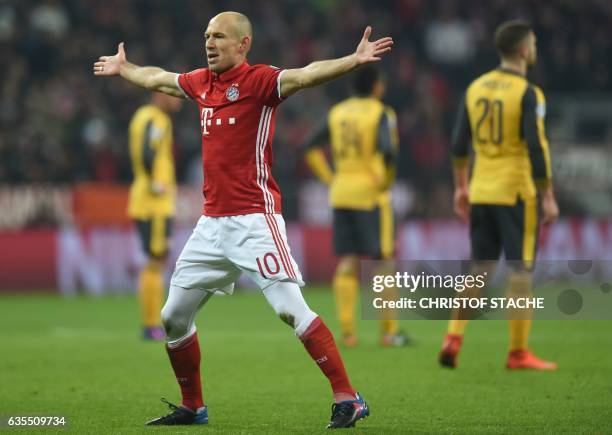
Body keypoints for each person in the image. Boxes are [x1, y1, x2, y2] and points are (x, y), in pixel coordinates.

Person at [94, 11, 393, 428]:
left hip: (255, 220)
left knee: (291, 310)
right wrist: (125, 69)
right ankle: (193, 407)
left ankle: (349, 397)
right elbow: (159, 78)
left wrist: (352, 60)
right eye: (206, 36)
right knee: (172, 317)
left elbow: (307, 75)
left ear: (243, 44)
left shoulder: (260, 82)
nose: (209, 43)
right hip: (211, 225)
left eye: (219, 36)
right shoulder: (201, 83)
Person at [438, 20, 559, 370]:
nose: (534, 49)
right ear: (524, 50)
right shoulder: (529, 93)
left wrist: (461, 187)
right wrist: (548, 195)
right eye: (533, 44)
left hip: (481, 189)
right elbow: (537, 147)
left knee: (479, 269)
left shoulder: (475, 88)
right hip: (516, 192)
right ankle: (519, 352)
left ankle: (453, 336)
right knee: (520, 271)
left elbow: (459, 144)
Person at [303, 66, 408, 347]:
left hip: (341, 194)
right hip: (370, 195)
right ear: (376, 86)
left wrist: (330, 178)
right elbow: (389, 151)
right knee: (383, 262)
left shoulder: (337, 112)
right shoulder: (381, 113)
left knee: (348, 261)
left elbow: (309, 145)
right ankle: (389, 332)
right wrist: (386, 182)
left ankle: (348, 333)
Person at [127, 92, 182, 341]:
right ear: (160, 95)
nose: (179, 100)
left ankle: (149, 324)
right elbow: (147, 153)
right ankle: (151, 325)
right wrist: (155, 183)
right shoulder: (157, 119)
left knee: (153, 260)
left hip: (145, 198)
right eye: (174, 95)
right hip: (154, 202)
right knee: (156, 260)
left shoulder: (141, 116)